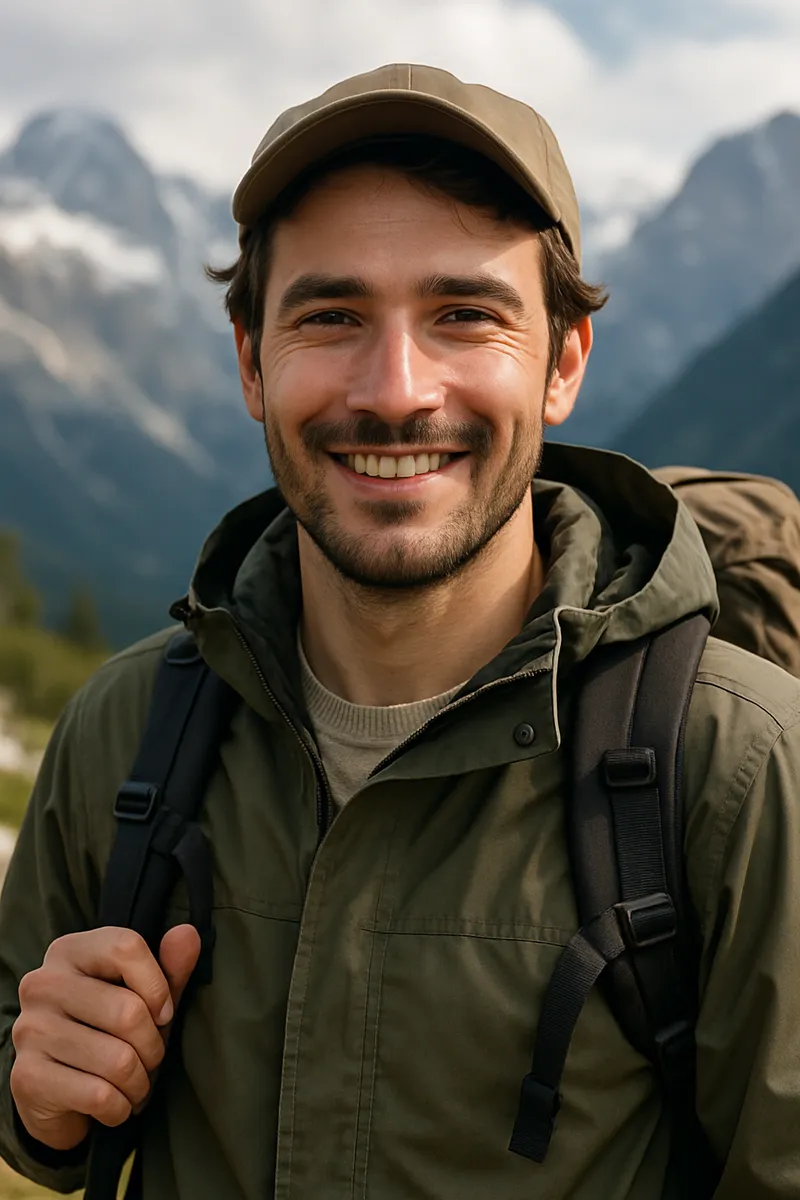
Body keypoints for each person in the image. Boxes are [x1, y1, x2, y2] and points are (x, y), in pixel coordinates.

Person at [1, 63, 800, 1200]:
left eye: (463, 314)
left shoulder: (745, 769)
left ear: (563, 360)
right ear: (248, 361)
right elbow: (22, 1067)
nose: (394, 389)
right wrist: (41, 1099)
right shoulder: (126, 729)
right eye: (330, 315)